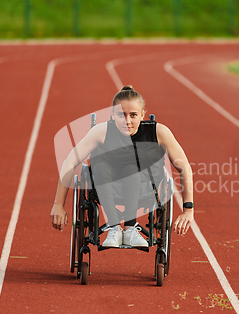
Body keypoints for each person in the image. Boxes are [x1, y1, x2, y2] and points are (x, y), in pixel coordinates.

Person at [50, 86, 194, 247]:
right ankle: (114, 228)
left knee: (132, 168)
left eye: (133, 115)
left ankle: (131, 229)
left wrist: (188, 210)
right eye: (121, 115)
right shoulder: (101, 131)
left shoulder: (159, 132)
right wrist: (58, 204)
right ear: (112, 115)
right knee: (100, 165)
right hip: (106, 187)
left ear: (142, 114)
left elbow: (184, 167)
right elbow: (70, 161)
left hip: (145, 189)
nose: (127, 121)